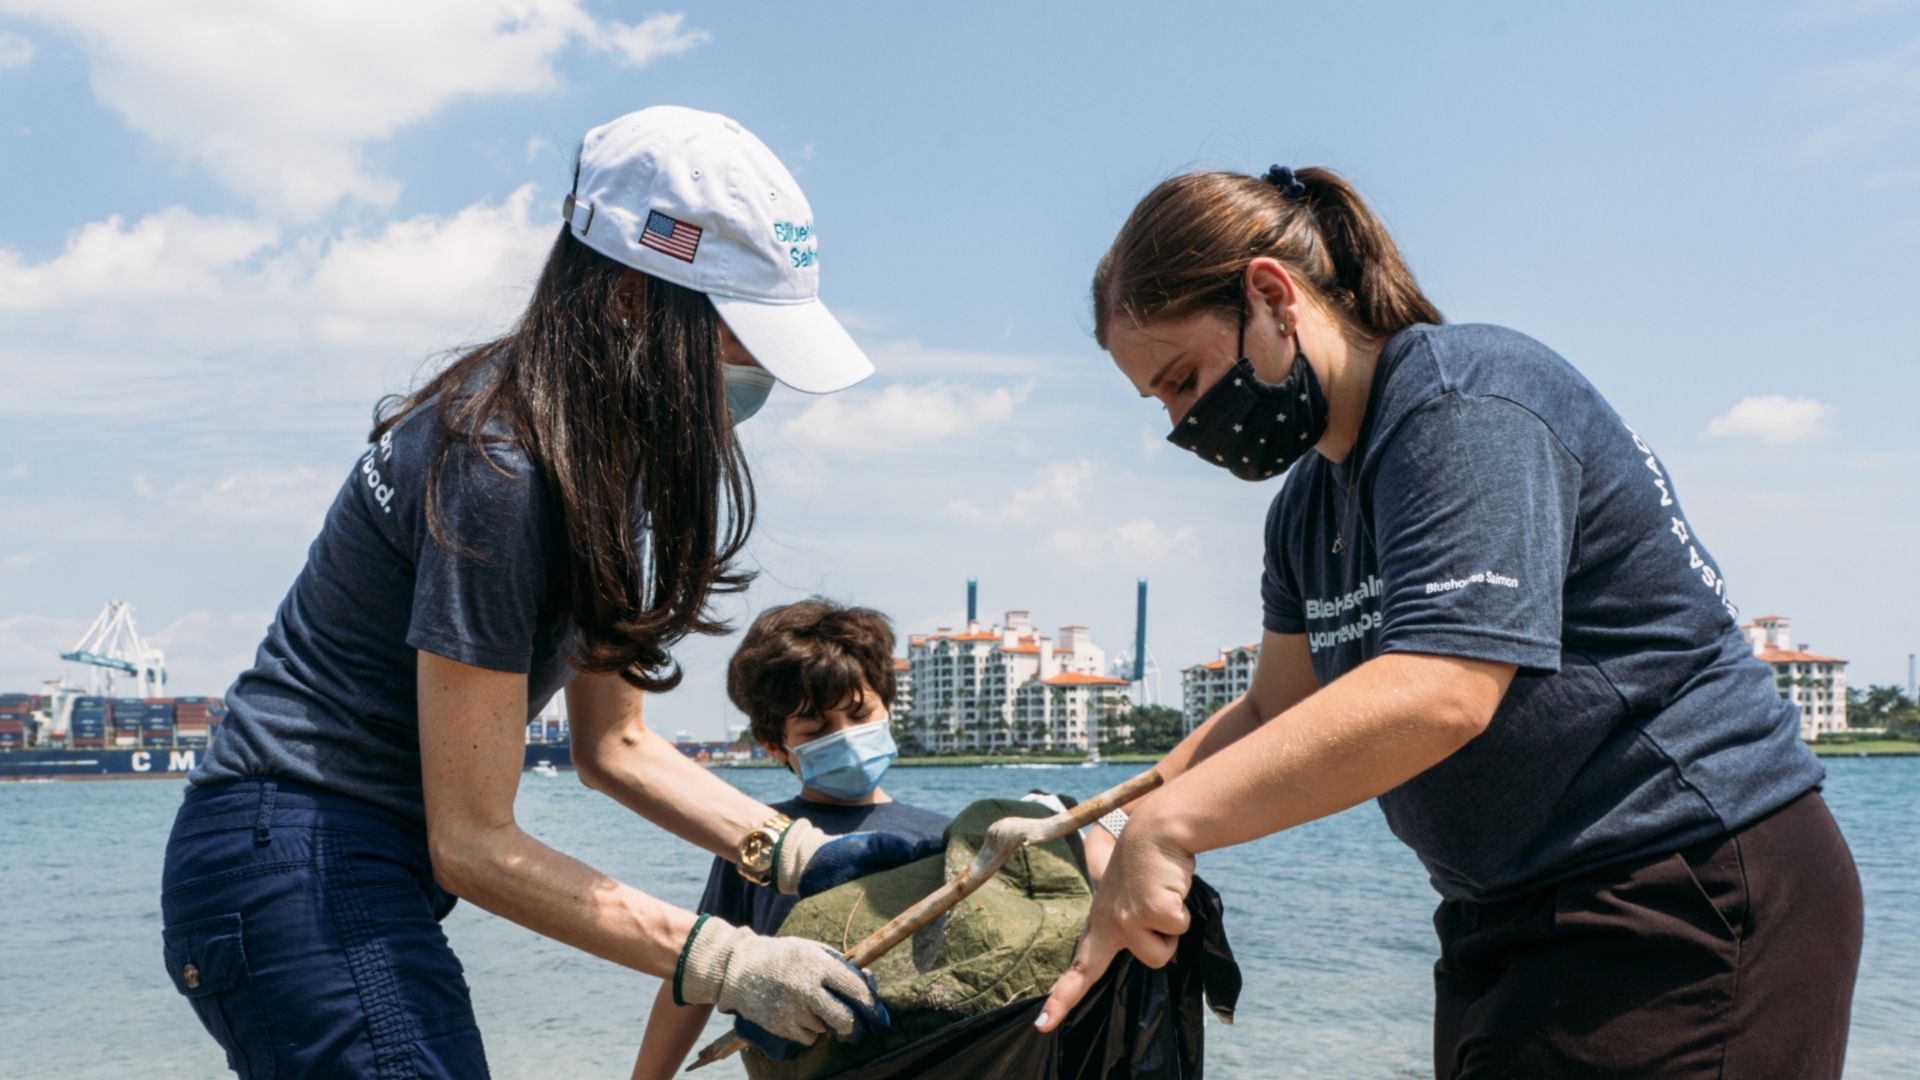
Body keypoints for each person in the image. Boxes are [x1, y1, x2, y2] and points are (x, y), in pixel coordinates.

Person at [1033, 165, 1863, 1078]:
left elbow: (1443, 689)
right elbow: (1274, 710)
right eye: (1161, 403)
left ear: (1271, 298)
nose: (1185, 424)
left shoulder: (1466, 400)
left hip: (1681, 875)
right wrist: (1113, 826)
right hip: (1501, 912)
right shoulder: (1308, 508)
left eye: (1184, 379)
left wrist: (1176, 826)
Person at [159, 106, 936, 1079]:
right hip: (290, 855)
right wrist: (730, 960)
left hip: (340, 860)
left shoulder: (591, 463)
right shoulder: (501, 468)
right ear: (630, 297)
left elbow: (615, 749)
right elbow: (473, 844)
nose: (761, 374)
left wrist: (793, 854)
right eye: (744, 337)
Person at [632, 599, 951, 1080]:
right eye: (817, 728)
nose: (845, 736)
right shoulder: (754, 838)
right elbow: (696, 969)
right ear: (777, 746)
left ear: (888, 706)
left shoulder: (937, 838)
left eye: (859, 714)